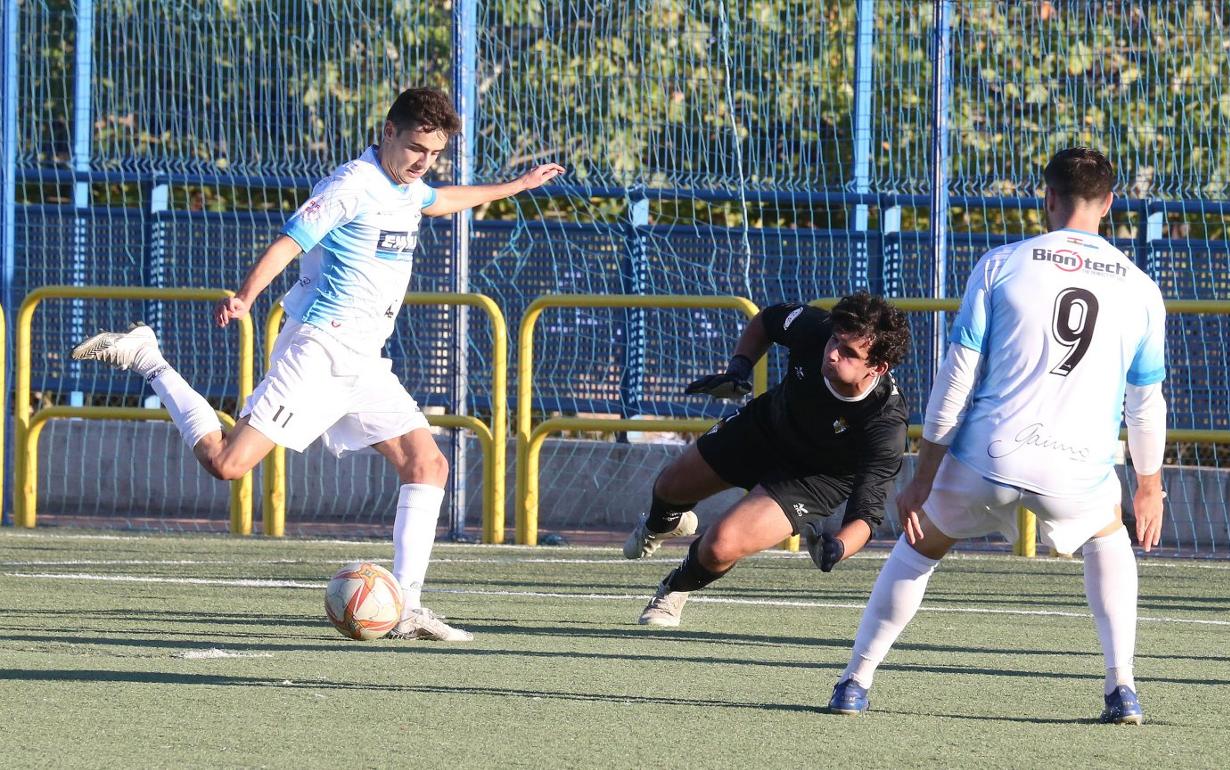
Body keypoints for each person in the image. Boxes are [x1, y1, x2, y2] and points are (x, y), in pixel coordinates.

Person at [72, 88, 564, 641]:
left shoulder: (408, 186)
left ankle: (406, 608)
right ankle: (149, 357)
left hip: (365, 361)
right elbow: (289, 241)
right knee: (229, 465)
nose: (424, 162)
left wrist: (517, 185)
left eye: (434, 154)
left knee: (429, 466)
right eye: (417, 148)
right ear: (388, 132)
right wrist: (246, 296)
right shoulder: (350, 185)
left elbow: (441, 199)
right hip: (319, 350)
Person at [826, 148, 1167, 725]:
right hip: (1075, 471)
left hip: (987, 457)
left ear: (1047, 198)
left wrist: (923, 477)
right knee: (1108, 539)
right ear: (1109, 204)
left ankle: (855, 681)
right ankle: (1122, 688)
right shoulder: (1141, 288)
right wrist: (1149, 485)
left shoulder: (1001, 264)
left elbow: (955, 380)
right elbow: (1145, 400)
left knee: (916, 551)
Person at [622, 292, 912, 627]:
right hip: (765, 429)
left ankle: (674, 589)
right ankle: (661, 525)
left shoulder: (885, 424)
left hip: (813, 480)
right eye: (835, 340)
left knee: (719, 546)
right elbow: (765, 321)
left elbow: (866, 515)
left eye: (848, 352)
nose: (832, 354)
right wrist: (739, 367)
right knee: (670, 486)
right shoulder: (814, 329)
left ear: (877, 366)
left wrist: (838, 548)